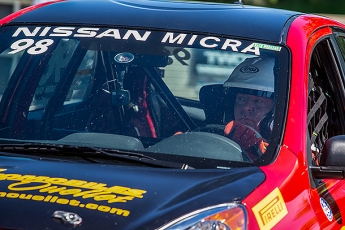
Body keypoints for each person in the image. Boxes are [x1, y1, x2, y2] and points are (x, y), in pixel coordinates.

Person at [222, 57, 275, 160]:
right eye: (241, 99)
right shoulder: (210, 138)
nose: (246, 107)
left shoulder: (293, 152)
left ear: (276, 111)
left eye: (258, 101)